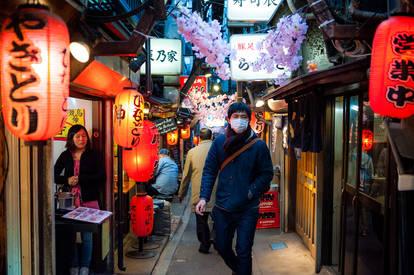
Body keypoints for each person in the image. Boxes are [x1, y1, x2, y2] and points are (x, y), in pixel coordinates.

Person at [196, 102, 273, 275]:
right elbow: (209, 170)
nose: (239, 120)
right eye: (235, 117)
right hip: (223, 206)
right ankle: (240, 271)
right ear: (229, 119)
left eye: (244, 117)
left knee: (244, 250)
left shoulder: (258, 145)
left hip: (248, 208)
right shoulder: (219, 142)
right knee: (221, 246)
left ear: (249, 120)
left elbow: (267, 173)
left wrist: (251, 191)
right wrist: (203, 197)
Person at [54, 124, 106, 275]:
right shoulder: (65, 155)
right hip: (70, 202)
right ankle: (74, 264)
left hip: (89, 199)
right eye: (77, 136)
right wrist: (66, 180)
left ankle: (85, 266)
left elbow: (102, 176)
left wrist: (81, 179)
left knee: (86, 235)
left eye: (84, 136)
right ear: (71, 138)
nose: (82, 139)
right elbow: (53, 174)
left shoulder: (93, 154)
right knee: (71, 235)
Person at [178, 128, 217, 254]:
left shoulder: (192, 152)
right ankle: (217, 241)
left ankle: (204, 244)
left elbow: (186, 175)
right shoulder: (218, 149)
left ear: (199, 138)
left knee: (201, 220)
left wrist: (182, 193)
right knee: (218, 218)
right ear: (211, 138)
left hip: (199, 192)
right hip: (218, 190)